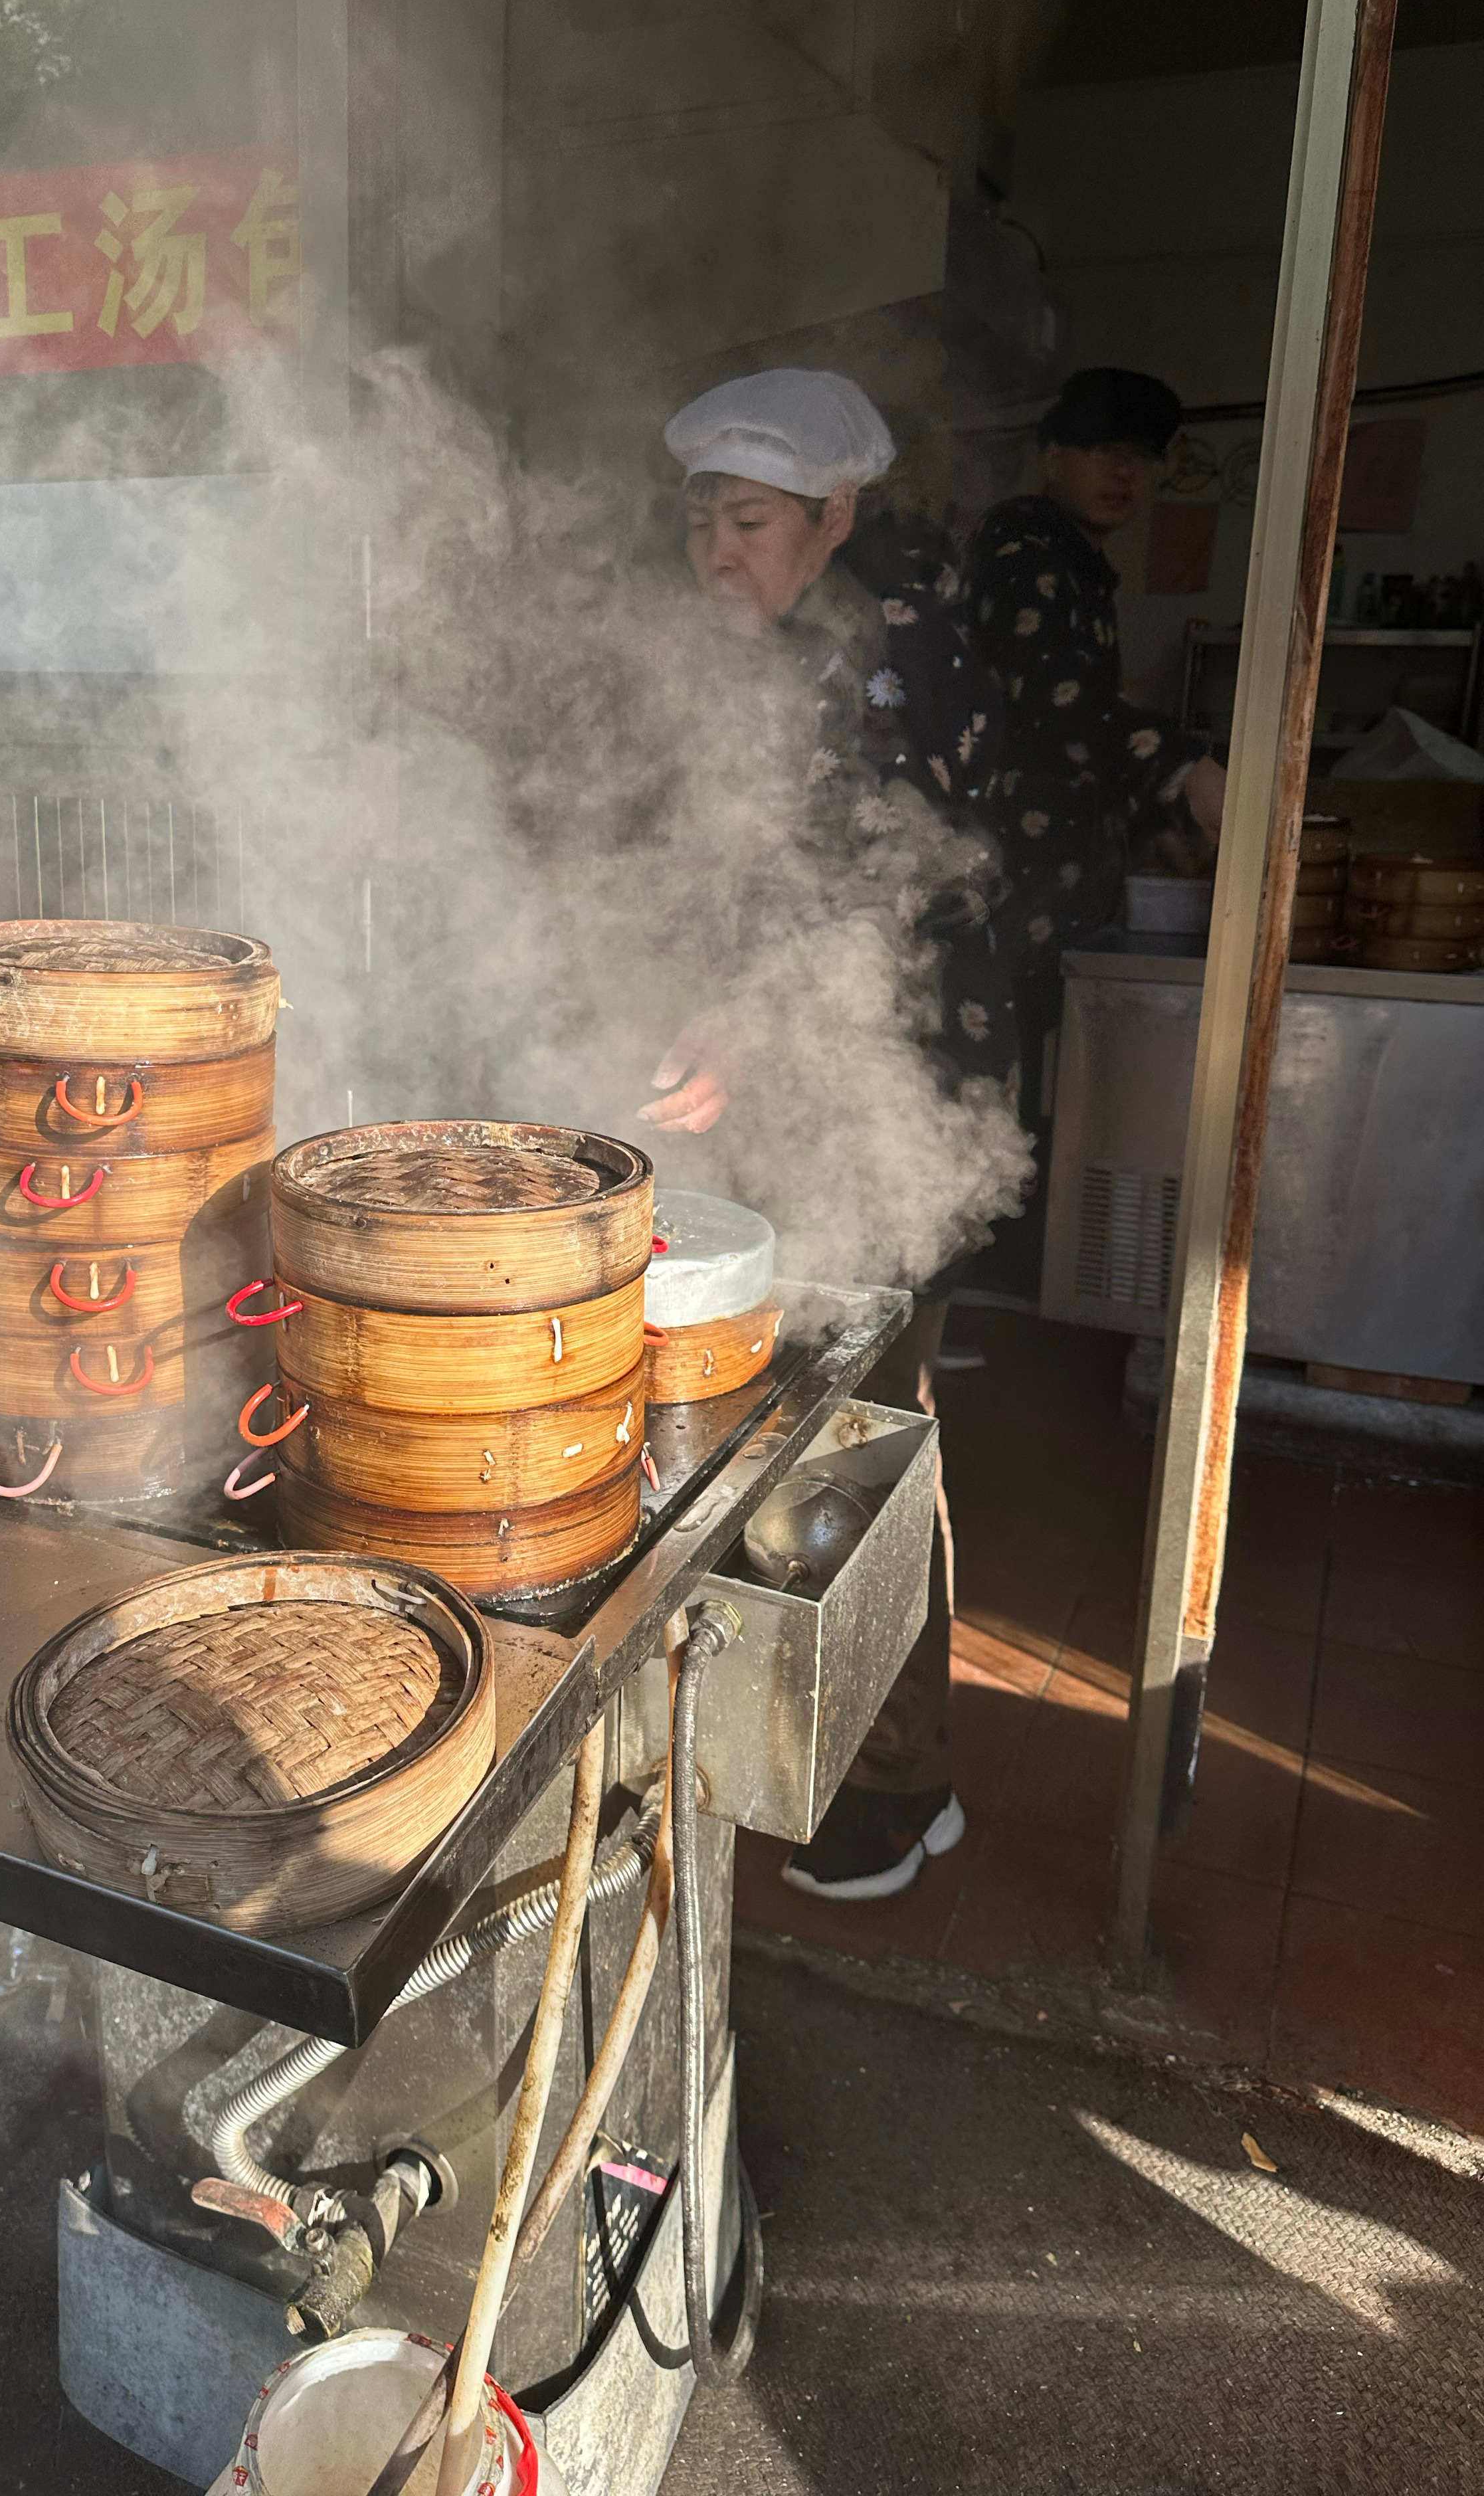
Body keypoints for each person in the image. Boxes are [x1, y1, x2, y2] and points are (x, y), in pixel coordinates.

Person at [639, 369, 1020, 1905]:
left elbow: (896, 884)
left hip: (889, 1104)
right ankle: (841, 1753)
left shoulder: (894, 654)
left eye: (749, 521)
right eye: (700, 522)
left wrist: (748, 1017)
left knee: (859, 1433)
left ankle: (898, 1786)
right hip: (801, 1094)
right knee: (811, 1425)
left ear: (833, 517)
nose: (717, 550)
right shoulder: (779, 647)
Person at [965, 367, 1228, 1142]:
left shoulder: (1074, 558)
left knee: (1043, 1094)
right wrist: (1183, 764)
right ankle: (1000, 1258)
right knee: (1013, 1100)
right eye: (1102, 451)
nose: (1123, 474)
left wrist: (1152, 825)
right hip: (1014, 879)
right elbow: (1054, 698)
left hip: (1061, 885)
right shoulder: (1021, 546)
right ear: (1053, 457)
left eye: (1140, 458)